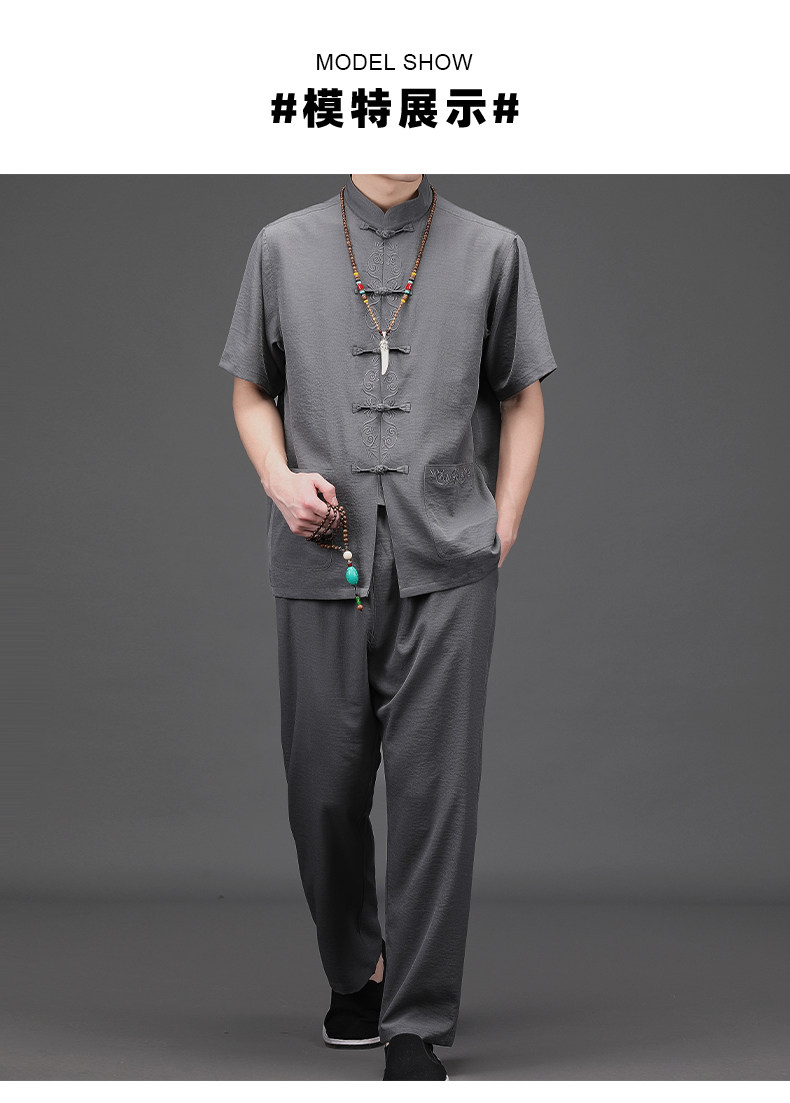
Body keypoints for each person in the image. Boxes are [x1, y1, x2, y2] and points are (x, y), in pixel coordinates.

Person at [218, 174, 558, 1081]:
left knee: (434, 793)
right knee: (322, 789)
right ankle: (356, 968)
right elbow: (251, 388)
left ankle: (415, 1017)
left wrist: (504, 520)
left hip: (447, 558)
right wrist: (278, 480)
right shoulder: (282, 246)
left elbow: (522, 392)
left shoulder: (493, 250)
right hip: (321, 555)